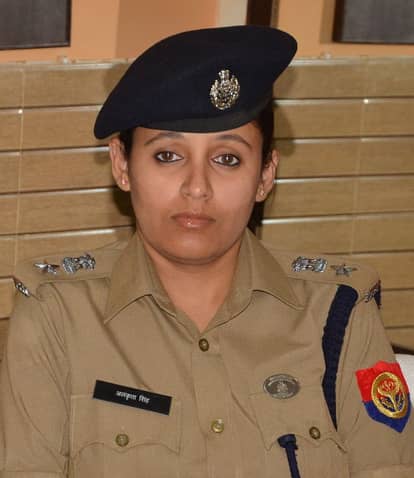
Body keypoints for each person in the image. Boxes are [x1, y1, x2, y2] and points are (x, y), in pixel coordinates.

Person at [1, 25, 413, 478]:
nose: (197, 187)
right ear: (122, 164)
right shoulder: (57, 315)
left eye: (227, 159)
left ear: (265, 175)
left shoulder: (339, 314)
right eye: (167, 155)